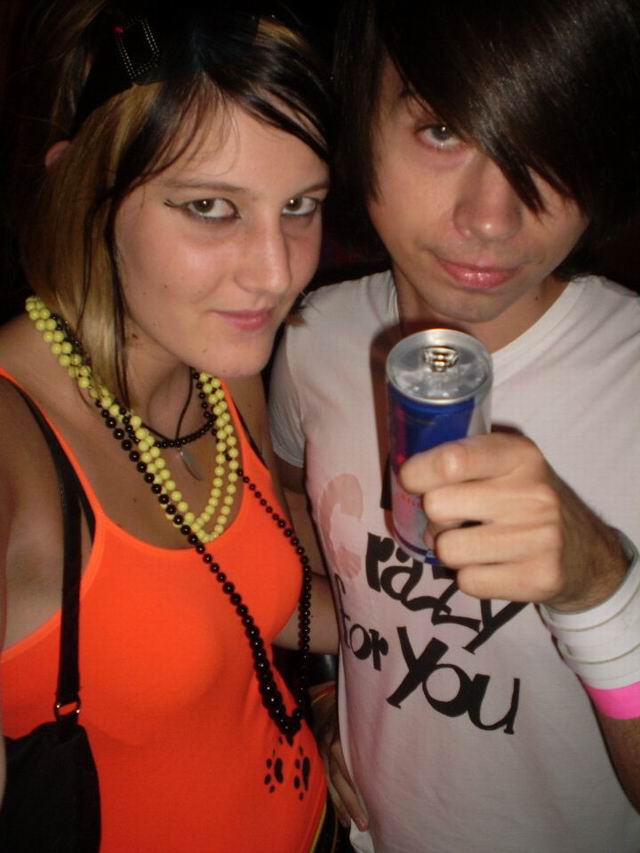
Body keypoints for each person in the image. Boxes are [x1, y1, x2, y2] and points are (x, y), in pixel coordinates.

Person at [268, 0, 640, 850]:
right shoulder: (311, 338)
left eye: (549, 140)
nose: (492, 218)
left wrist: (601, 588)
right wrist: (324, 689)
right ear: (359, 124)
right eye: (441, 130)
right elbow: (291, 511)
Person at [0, 1, 341, 850]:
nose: (276, 273)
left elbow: (257, 599)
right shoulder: (16, 451)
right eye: (211, 207)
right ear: (81, 192)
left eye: (301, 204)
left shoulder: (225, 369)